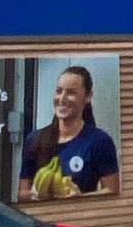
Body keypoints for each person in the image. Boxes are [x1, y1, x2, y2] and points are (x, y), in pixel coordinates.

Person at [19, 66, 120, 200]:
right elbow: (21, 192)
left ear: (88, 96)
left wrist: (80, 197)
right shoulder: (34, 139)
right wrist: (32, 196)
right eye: (58, 91)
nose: (62, 98)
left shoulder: (100, 141)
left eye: (71, 93)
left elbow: (112, 191)